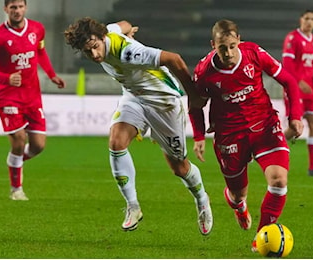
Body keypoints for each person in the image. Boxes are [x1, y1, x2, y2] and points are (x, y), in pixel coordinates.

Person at [63, 17, 213, 235]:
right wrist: (128, 29)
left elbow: (174, 59)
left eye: (95, 47)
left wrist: (193, 95)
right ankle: (133, 206)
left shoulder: (128, 53)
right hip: (134, 97)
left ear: (103, 38)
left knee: (179, 167)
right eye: (88, 52)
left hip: (164, 104)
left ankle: (202, 199)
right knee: (116, 141)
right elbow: (122, 24)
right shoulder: (106, 34)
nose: (95, 55)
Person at [189, 19, 304, 250]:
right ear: (213, 45)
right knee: (237, 193)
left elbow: (289, 81)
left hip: (265, 126)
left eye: (232, 46)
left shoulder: (254, 54)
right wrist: (199, 136)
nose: (228, 52)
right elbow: (195, 105)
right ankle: (239, 206)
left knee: (279, 180)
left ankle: (261, 237)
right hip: (229, 135)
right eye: (222, 47)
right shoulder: (204, 72)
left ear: (239, 41)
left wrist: (295, 116)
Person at [0, 0, 66, 201]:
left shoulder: (37, 29)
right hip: (8, 96)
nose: (17, 11)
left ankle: (15, 161)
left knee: (38, 146)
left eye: (20, 7)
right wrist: (7, 78)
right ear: (6, 9)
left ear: (25, 8)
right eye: (13, 7)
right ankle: (16, 189)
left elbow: (41, 52)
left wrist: (51, 75)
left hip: (32, 96)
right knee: (19, 140)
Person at [282, 9, 313, 177]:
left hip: (311, 88)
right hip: (295, 87)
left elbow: (312, 63)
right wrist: (298, 81)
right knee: (295, 127)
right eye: (307, 18)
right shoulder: (292, 38)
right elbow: (287, 64)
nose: (309, 22)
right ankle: (270, 148)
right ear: (300, 20)